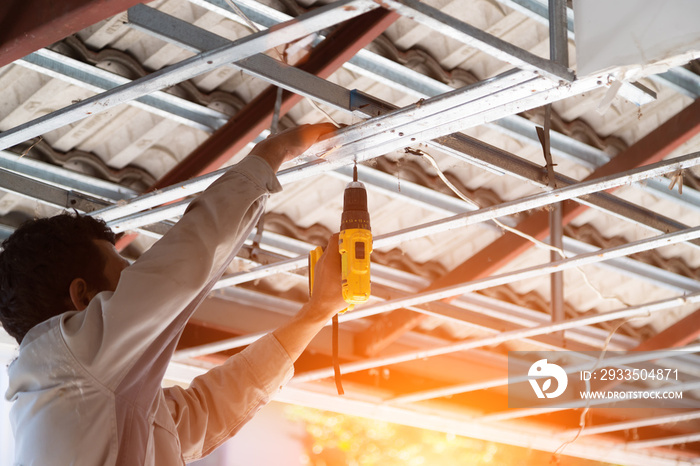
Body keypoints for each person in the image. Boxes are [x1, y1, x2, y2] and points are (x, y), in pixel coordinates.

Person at [0, 123, 346, 465]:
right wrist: (270, 154)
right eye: (128, 276)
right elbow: (184, 262)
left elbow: (209, 410)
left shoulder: (83, 394)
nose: (142, 282)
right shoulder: (72, 364)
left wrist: (317, 311)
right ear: (84, 298)